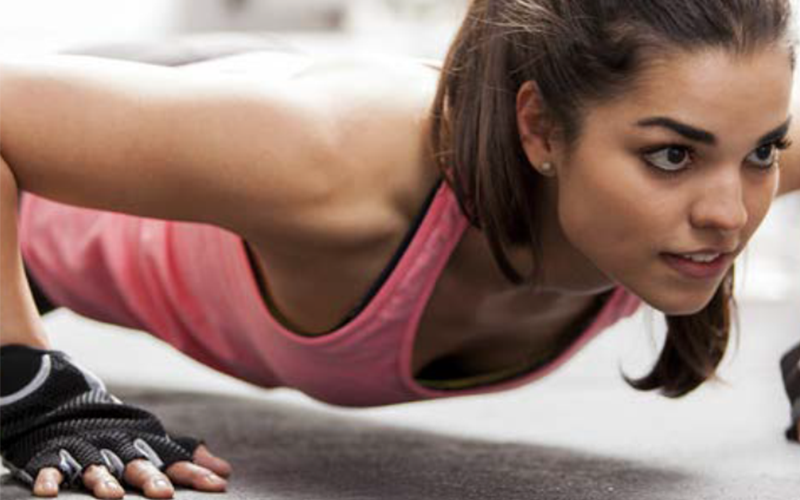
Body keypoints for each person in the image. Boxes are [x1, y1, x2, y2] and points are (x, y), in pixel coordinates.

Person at [1, 0, 798, 498]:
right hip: (60, 194)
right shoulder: (330, 160)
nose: (731, 215)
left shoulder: (706, 152)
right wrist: (28, 381)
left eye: (764, 152)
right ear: (541, 129)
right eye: (671, 156)